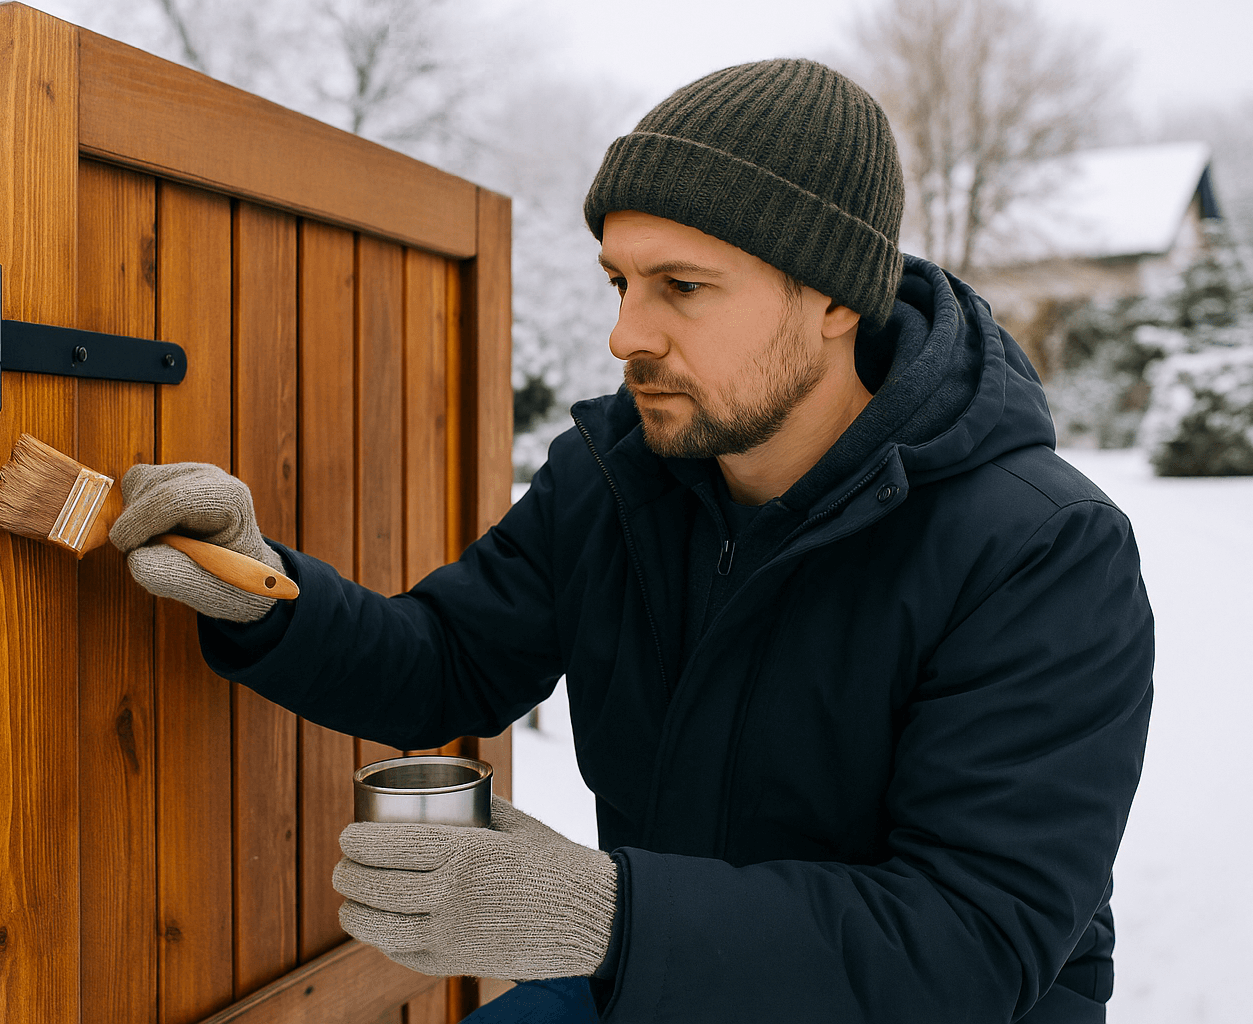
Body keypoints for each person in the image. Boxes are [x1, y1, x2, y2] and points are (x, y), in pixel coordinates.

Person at [107, 59, 1153, 1023]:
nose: (626, 336)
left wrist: (608, 913)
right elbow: (449, 659)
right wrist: (257, 587)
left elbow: (967, 942)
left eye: (683, 288)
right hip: (656, 985)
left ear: (836, 296)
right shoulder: (619, 479)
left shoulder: (1041, 550)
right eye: (621, 282)